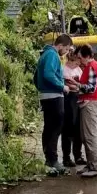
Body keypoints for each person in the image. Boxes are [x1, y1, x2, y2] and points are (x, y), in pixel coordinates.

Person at [33, 34, 73, 173]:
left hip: (46, 95)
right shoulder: (52, 55)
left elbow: (36, 75)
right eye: (66, 49)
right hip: (54, 96)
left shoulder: (44, 54)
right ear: (60, 45)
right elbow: (48, 74)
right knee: (55, 129)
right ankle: (53, 160)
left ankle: (49, 160)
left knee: (49, 128)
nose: (66, 52)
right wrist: (62, 86)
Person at [69, 44, 97, 178]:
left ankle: (95, 166)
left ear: (87, 56)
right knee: (85, 136)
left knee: (90, 136)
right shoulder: (90, 67)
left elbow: (90, 88)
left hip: (90, 104)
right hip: (87, 103)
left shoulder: (92, 67)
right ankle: (91, 164)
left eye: (80, 58)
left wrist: (77, 85)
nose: (79, 61)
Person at [61, 50, 85, 167]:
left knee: (78, 129)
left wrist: (77, 86)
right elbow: (66, 84)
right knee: (68, 129)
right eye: (76, 63)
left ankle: (78, 155)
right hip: (68, 99)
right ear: (70, 60)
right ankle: (66, 157)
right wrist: (75, 86)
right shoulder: (63, 70)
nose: (77, 65)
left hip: (78, 98)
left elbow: (80, 83)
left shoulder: (78, 69)